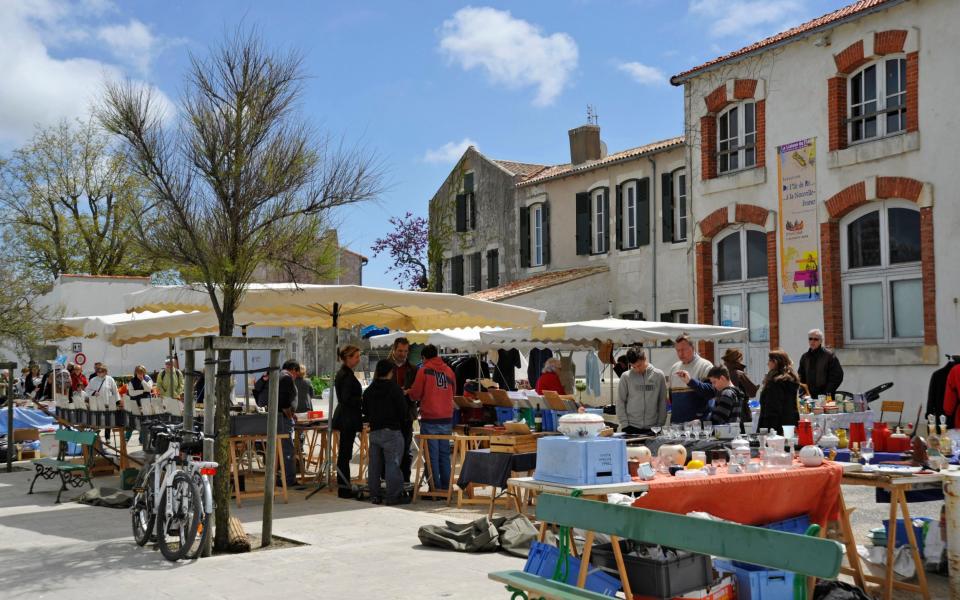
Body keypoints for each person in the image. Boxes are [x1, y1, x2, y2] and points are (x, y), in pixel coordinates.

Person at [409, 344, 456, 492]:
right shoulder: (449, 371)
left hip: (430, 418)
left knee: (431, 456)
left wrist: (409, 393)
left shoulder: (424, 370)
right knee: (444, 454)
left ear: (424, 357)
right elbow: (453, 392)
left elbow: (415, 394)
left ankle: (435, 488)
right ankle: (446, 487)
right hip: (446, 418)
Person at [362, 359, 409, 505]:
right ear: (390, 372)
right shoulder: (394, 389)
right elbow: (403, 411)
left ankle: (374, 495)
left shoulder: (369, 390)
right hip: (392, 431)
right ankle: (393, 496)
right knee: (392, 464)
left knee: (374, 465)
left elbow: (365, 411)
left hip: (375, 432)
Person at [332, 345, 363, 498]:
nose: (358, 359)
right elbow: (345, 398)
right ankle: (344, 487)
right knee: (345, 454)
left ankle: (344, 485)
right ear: (348, 358)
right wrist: (360, 400)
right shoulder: (345, 375)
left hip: (346, 417)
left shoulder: (345, 373)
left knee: (345, 453)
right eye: (356, 356)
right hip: (347, 418)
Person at [615, 349, 667, 435]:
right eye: (633, 367)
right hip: (630, 427)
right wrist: (625, 425)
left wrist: (660, 425)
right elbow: (620, 401)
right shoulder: (625, 377)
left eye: (639, 365)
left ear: (645, 359)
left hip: (653, 428)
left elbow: (662, 401)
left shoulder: (659, 375)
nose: (637, 369)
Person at [389, 337, 419, 483]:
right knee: (390, 450)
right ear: (394, 349)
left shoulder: (413, 369)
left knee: (406, 450)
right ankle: (390, 481)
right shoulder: (385, 366)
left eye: (405, 351)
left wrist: (409, 391)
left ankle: (405, 481)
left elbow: (418, 390)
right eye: (400, 350)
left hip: (407, 413)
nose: (403, 354)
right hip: (390, 415)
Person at [668, 334, 714, 423]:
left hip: (697, 426)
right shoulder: (674, 368)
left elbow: (711, 392)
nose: (681, 353)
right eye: (678, 350)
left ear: (693, 348)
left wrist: (690, 382)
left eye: (684, 350)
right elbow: (671, 397)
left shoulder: (705, 365)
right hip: (677, 425)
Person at [758, 349, 801, 435]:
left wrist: (768, 428)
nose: (768, 364)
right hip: (789, 423)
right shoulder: (791, 379)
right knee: (789, 446)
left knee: (774, 447)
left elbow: (773, 406)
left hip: (775, 426)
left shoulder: (775, 382)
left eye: (769, 361)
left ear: (775, 362)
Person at [797, 329, 843, 399]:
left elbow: (837, 376)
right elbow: (800, 376)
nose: (812, 341)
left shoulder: (829, 356)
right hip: (809, 397)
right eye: (810, 339)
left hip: (825, 396)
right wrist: (803, 392)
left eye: (816, 339)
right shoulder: (805, 357)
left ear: (821, 341)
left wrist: (827, 393)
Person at [276, 359, 301, 489]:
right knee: (288, 450)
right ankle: (289, 479)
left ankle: (283, 478)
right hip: (283, 419)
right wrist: (289, 414)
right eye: (297, 373)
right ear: (293, 370)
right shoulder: (286, 378)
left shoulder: (279, 376)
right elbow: (284, 401)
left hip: (280, 417)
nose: (296, 376)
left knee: (284, 449)